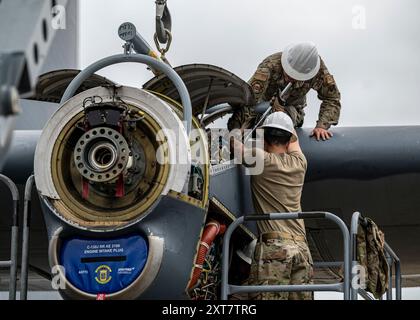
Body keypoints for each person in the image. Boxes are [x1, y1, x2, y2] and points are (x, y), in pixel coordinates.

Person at [232, 112, 313, 300]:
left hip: (275, 249)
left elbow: (235, 146)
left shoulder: (260, 159)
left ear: (264, 138)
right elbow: (294, 143)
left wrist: (239, 127)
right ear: (288, 139)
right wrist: (282, 112)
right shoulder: (300, 163)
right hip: (302, 248)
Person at [228, 42, 341, 141]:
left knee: (278, 123)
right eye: (289, 73)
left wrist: (322, 125)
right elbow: (249, 99)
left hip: (292, 110)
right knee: (240, 119)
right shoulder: (270, 65)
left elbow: (332, 98)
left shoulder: (318, 70)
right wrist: (239, 128)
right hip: (260, 108)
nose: (290, 79)